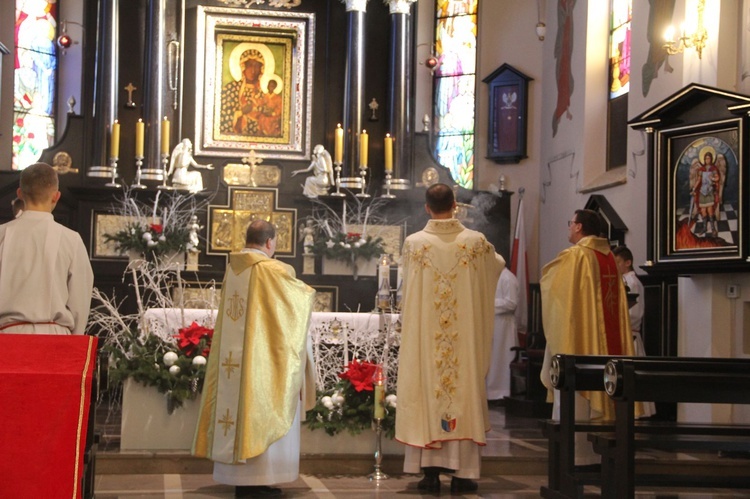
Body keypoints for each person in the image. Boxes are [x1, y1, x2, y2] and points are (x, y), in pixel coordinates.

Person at [193, 219, 316, 498]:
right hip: (262, 361)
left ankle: (240, 480)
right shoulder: (275, 270)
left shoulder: (234, 269)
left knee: (237, 411)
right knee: (262, 410)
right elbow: (296, 309)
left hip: (233, 362)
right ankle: (258, 481)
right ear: (270, 242)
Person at [395, 183, 505, 494]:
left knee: (429, 394)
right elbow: (497, 266)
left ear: (427, 208)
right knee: (462, 393)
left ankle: (429, 474)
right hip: (463, 344)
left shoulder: (415, 244)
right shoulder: (474, 242)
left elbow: (407, 293)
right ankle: (463, 473)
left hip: (427, 342)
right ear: (455, 205)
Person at [540, 209, 635, 464]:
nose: (569, 228)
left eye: (570, 223)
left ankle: (573, 459)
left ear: (579, 227)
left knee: (573, 395)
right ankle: (601, 458)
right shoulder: (608, 259)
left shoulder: (576, 256)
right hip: (606, 348)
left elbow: (552, 287)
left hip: (578, 341)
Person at [0, 162, 93, 335]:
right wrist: (75, 338)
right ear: (56, 196)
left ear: (19, 194)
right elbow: (80, 298)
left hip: (7, 338)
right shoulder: (71, 239)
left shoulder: (2, 235)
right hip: (56, 338)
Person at [612, 245, 655, 417]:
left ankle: (635, 413)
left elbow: (634, 312)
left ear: (628, 262)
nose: (616, 266)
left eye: (618, 262)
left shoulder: (632, 282)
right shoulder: (623, 280)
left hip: (630, 334)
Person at [486, 266, 519, 404]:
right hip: (493, 324)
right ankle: (490, 392)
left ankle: (502, 392)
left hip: (504, 325)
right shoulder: (492, 277)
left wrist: (488, 304)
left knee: (502, 358)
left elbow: (511, 303)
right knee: (493, 359)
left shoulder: (507, 277)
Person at [220, 48, 267, 136]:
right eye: (249, 66)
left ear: (261, 69)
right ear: (243, 67)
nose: (253, 71)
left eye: (256, 66)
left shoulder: (262, 93)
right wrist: (240, 113)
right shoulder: (231, 88)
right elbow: (222, 115)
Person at [689, 148, 726, 237]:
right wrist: (694, 188)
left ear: (711, 159)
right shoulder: (701, 169)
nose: (707, 160)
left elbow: (717, 178)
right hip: (702, 192)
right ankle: (705, 227)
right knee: (703, 211)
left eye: (709, 158)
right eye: (706, 158)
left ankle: (713, 228)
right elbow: (698, 180)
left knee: (710, 211)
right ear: (704, 159)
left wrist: (712, 178)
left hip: (709, 192)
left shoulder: (714, 168)